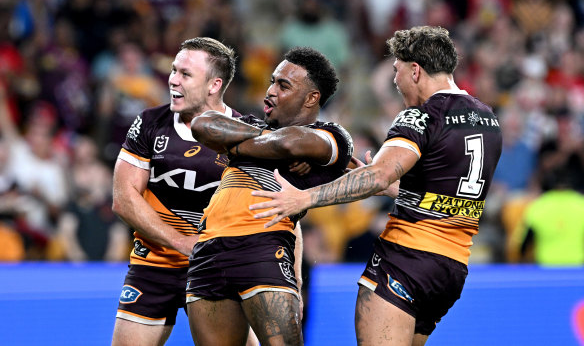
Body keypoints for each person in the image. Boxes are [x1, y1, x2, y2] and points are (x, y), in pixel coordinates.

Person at [250, 26, 503, 345]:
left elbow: (378, 175)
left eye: (396, 72)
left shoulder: (421, 117)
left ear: (415, 70)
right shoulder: (487, 118)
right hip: (450, 269)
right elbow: (452, 198)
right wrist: (391, 188)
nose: (395, 83)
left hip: (407, 260)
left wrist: (304, 198)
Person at [186, 46, 354, 346]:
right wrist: (271, 143)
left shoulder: (334, 136)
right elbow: (202, 124)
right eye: (272, 81)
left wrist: (234, 145)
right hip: (207, 251)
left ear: (311, 98)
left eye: (283, 85)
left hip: (262, 246)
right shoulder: (254, 125)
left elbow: (291, 142)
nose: (270, 91)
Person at [110, 37, 258, 346]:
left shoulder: (248, 134)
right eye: (174, 70)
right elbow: (123, 199)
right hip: (154, 264)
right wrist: (183, 243)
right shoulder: (150, 123)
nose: (173, 80)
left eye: (185, 74)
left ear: (214, 85)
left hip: (219, 270)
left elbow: (274, 209)